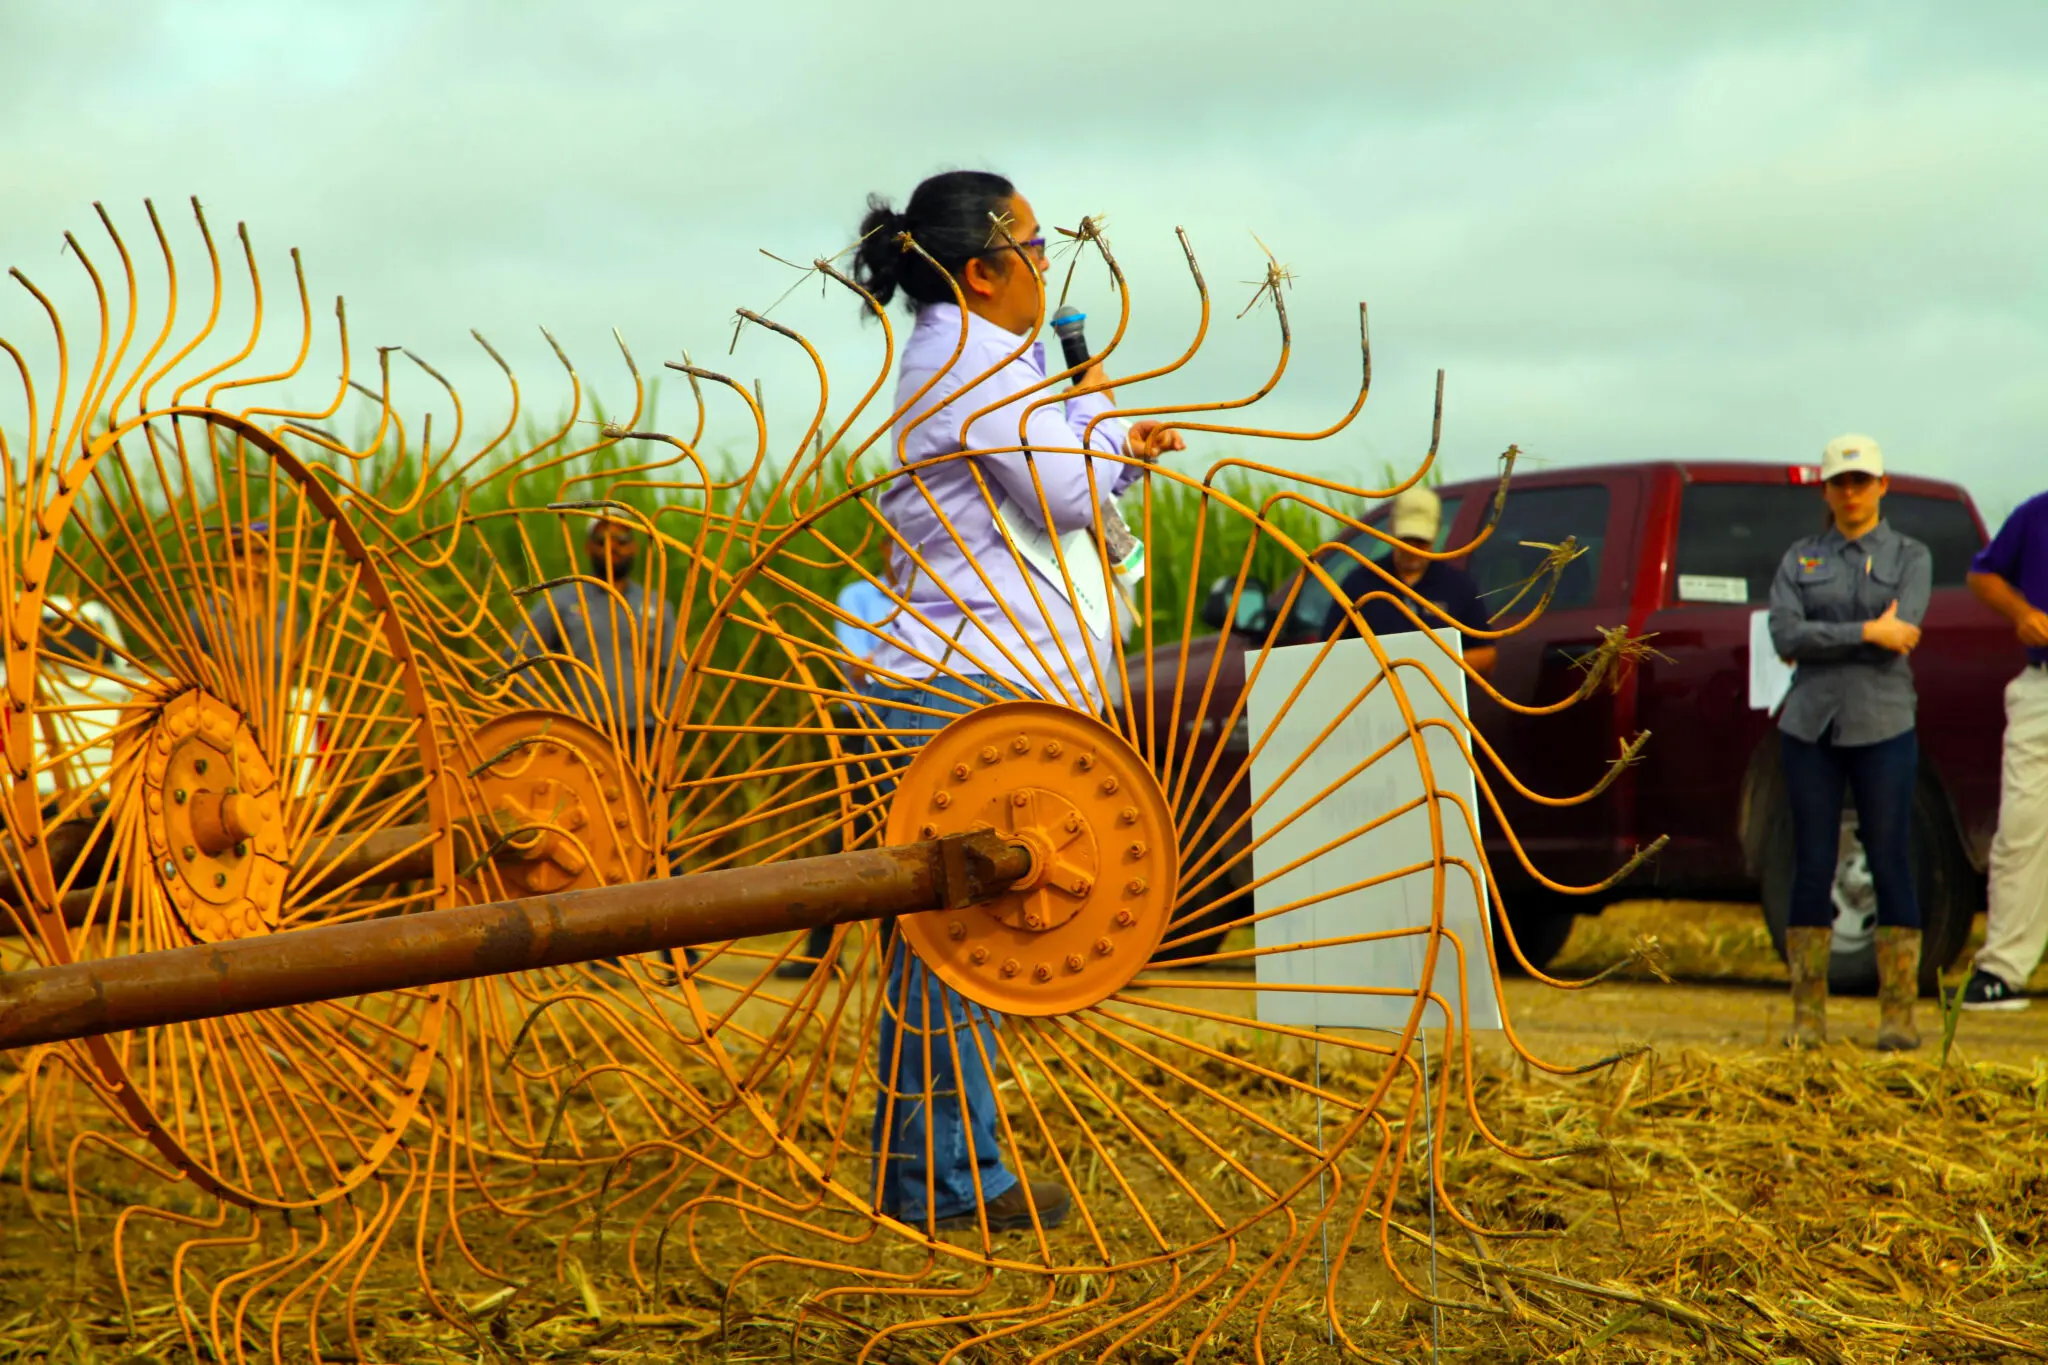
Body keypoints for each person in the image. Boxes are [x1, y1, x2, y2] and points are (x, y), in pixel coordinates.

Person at [849, 169, 1183, 1233]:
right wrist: (1112, 447)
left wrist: (1108, 444)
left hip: (983, 675)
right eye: (1037, 252)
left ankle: (955, 1176)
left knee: (958, 947)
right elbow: (1069, 496)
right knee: (954, 948)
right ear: (985, 272)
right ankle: (941, 1188)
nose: (1048, 271)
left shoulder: (996, 358)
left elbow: (1068, 489)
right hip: (959, 678)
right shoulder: (971, 358)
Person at [1766, 434, 1932, 1050]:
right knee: (1811, 863)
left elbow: (1905, 632)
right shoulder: (1800, 557)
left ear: (1882, 486)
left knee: (1889, 858)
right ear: (1826, 490)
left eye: (1862, 481)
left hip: (1884, 722)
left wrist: (1825, 633)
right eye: (1840, 482)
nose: (1852, 492)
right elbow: (1784, 634)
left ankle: (1898, 1017)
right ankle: (1807, 1019)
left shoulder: (1911, 556)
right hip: (1810, 724)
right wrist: (1867, 629)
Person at [775, 542, 903, 980]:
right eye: (894, 540)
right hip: (864, 725)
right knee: (846, 835)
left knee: (905, 834)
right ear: (885, 546)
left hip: (914, 730)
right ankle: (821, 954)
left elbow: (874, 666)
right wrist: (913, 670)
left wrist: (886, 665)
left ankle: (894, 956)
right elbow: (856, 668)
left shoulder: (935, 601)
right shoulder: (858, 596)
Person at [1959, 489, 2048, 1010]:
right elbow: (1983, 574)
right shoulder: (2036, 514)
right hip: (2041, 687)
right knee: (2020, 829)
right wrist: (2024, 612)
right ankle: (2002, 969)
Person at [511, 513, 679, 748]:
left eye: (620, 540)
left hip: (643, 736)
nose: (611, 548)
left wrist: (667, 727)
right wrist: (534, 707)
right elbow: (518, 648)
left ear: (634, 547)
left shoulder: (654, 605)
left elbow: (675, 669)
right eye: (601, 541)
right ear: (588, 548)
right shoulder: (565, 599)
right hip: (580, 731)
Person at [1330, 486, 1496, 676]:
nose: (1412, 549)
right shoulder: (1359, 584)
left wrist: (1435, 668)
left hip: (1441, 700)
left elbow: (1487, 653)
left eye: (1420, 541)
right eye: (1406, 539)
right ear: (1391, 528)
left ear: (1436, 532)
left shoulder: (1459, 586)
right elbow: (1331, 651)